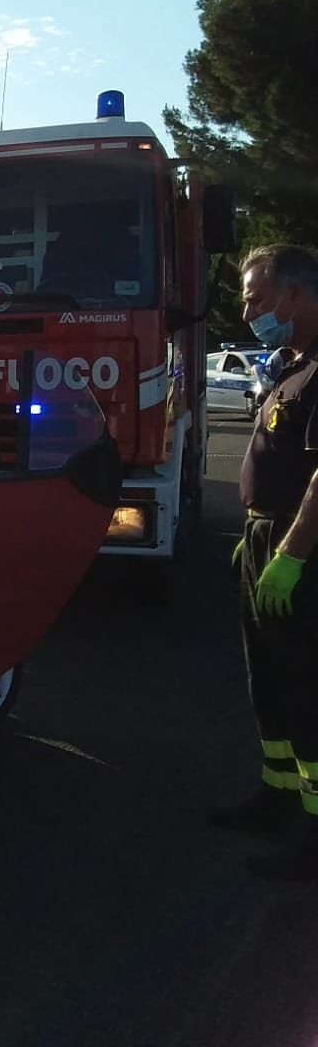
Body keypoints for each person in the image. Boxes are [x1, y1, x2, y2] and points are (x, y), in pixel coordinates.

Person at [210, 243, 318, 881]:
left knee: (305, 687)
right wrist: (251, 538)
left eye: (255, 297)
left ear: (295, 294)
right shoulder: (295, 366)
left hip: (295, 550)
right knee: (269, 682)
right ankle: (279, 794)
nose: (248, 310)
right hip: (265, 539)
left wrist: (288, 556)